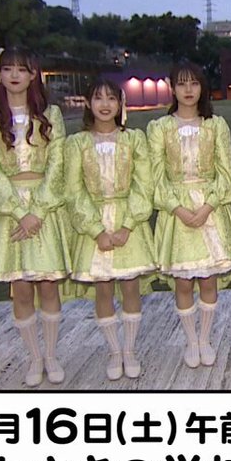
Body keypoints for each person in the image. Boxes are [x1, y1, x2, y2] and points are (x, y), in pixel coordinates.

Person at [0, 47, 72, 387]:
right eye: (8, 68)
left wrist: (38, 210)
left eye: (22, 69)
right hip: (9, 211)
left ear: (32, 75)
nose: (14, 75)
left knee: (49, 285)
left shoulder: (50, 114)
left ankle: (51, 355)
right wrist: (18, 211)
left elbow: (58, 164)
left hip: (44, 207)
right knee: (21, 288)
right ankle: (33, 357)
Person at [147, 62, 231, 368]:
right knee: (182, 282)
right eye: (181, 84)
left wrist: (207, 206)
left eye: (194, 83)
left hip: (210, 212)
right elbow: (156, 178)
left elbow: (226, 174)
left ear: (202, 87)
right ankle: (191, 340)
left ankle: (205, 339)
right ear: (172, 88)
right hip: (176, 213)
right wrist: (178, 208)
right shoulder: (159, 128)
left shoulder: (216, 125)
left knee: (208, 280)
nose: (188, 90)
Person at [65, 80, 156, 380]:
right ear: (88, 103)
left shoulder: (134, 140)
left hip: (128, 223)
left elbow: (144, 184)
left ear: (120, 104)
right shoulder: (77, 143)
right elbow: (73, 191)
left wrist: (128, 225)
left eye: (111, 98)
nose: (105, 104)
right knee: (103, 289)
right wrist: (96, 230)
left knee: (130, 287)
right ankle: (114, 352)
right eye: (98, 98)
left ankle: (129, 350)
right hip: (94, 224)